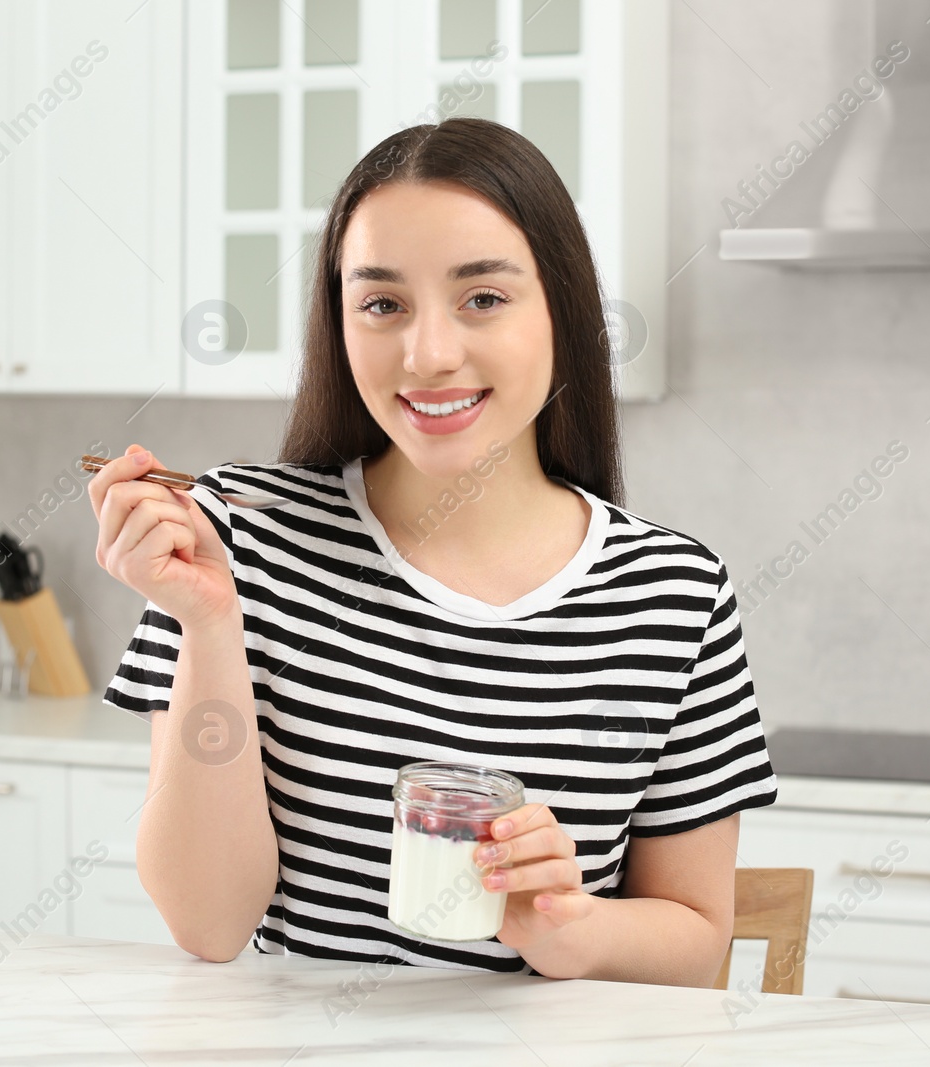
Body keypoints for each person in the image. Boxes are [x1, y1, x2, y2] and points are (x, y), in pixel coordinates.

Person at [90, 117, 777, 983]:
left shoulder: (675, 596)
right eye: (382, 303)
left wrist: (571, 929)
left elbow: (697, 933)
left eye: (482, 297)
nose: (429, 354)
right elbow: (207, 923)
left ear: (562, 311)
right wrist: (211, 621)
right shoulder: (236, 539)